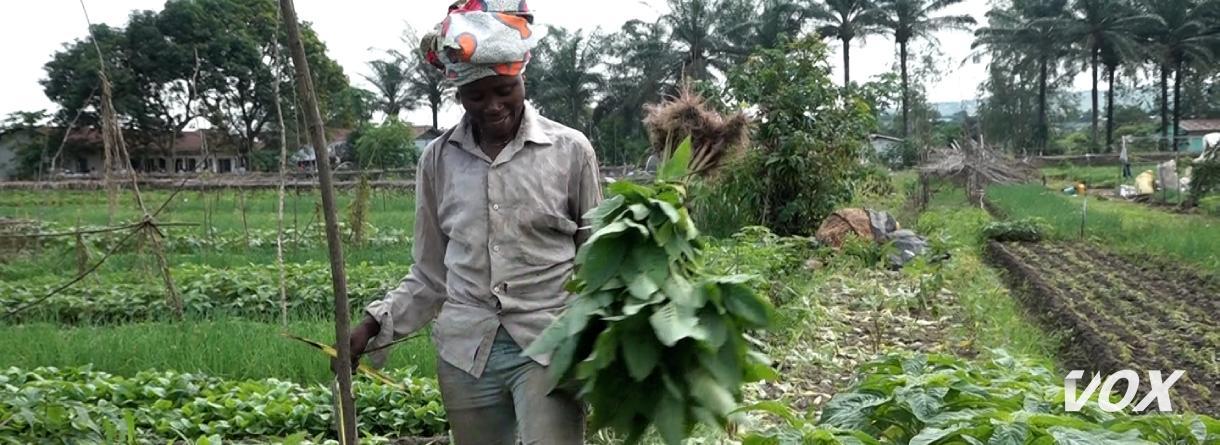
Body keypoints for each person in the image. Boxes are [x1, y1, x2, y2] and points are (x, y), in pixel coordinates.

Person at [339, 1, 601, 443]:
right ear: (458, 95)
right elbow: (429, 273)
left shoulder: (570, 151)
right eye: (476, 95)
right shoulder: (438, 161)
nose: (493, 106)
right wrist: (373, 325)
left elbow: (595, 254)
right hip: (466, 352)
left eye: (504, 90)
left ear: (522, 79)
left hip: (549, 344)